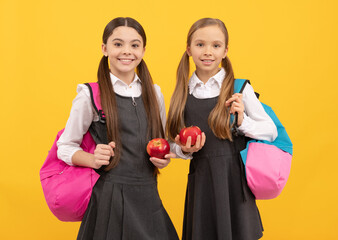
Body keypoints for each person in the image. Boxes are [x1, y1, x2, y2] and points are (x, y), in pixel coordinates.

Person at [57, 17, 179, 240]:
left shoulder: (154, 93)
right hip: (108, 200)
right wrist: (92, 159)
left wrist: (167, 157)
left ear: (143, 50)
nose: (127, 51)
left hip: (148, 195)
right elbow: (64, 146)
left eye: (134, 45)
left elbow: (161, 143)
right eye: (118, 44)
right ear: (104, 48)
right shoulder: (89, 95)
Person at [166, 18, 278, 240]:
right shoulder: (182, 94)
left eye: (216, 45)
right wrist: (185, 150)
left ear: (225, 51)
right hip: (202, 184)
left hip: (234, 184)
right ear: (188, 49)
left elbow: (270, 131)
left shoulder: (239, 89)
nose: (208, 52)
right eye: (200, 45)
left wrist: (241, 122)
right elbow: (172, 145)